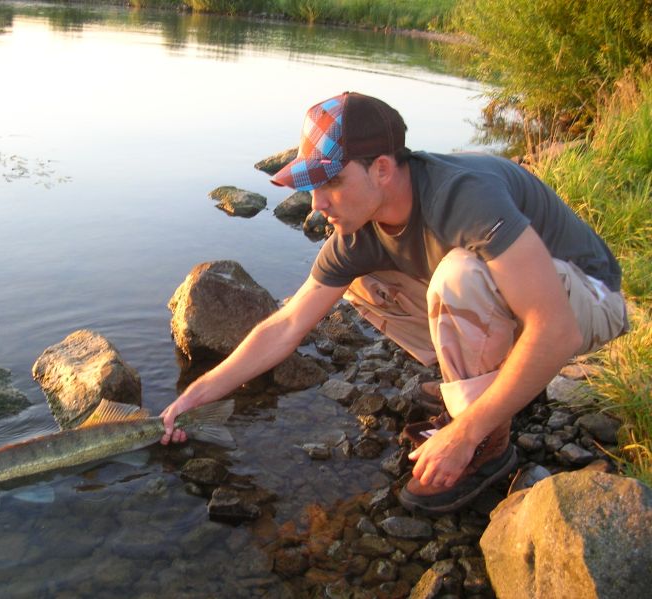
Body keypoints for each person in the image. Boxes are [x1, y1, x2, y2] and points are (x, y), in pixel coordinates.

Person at [160, 91, 628, 513]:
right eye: (311, 185)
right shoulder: (357, 230)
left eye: (332, 182)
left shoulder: (462, 197)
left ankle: (487, 442)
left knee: (459, 277)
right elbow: (286, 326)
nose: (317, 201)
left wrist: (463, 435)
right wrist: (196, 396)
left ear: (381, 168)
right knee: (360, 282)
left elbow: (556, 329)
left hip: (587, 298)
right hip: (521, 302)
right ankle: (481, 384)